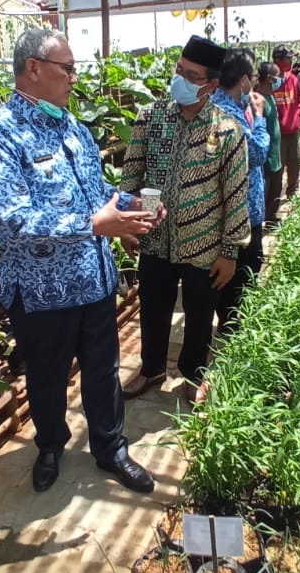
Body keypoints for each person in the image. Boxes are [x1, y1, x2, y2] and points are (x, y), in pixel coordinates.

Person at [0, 28, 157, 495]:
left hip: (93, 282)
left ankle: (111, 449)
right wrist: (95, 224)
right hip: (42, 291)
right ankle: (50, 445)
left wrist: (129, 208)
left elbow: (98, 196)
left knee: (103, 371)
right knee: (47, 377)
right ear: (34, 68)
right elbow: (14, 221)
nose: (74, 78)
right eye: (67, 69)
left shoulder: (73, 127)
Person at [120, 35, 250, 403]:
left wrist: (230, 252)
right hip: (156, 238)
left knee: (198, 314)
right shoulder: (151, 116)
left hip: (204, 243)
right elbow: (132, 172)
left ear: (209, 85)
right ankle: (151, 369)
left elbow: (235, 194)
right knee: (153, 308)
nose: (180, 79)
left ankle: (194, 375)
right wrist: (127, 222)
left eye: (190, 75)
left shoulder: (226, 130)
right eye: (178, 70)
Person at [209, 49, 269, 338]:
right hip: (240, 215)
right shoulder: (227, 114)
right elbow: (255, 154)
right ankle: (232, 338)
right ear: (244, 81)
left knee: (231, 285)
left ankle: (230, 329)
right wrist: (260, 118)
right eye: (254, 78)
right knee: (238, 284)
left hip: (230, 212)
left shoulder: (221, 105)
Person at [271, 46, 300, 202]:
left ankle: (292, 191)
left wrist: (297, 119)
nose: (290, 61)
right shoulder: (270, 81)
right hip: (278, 133)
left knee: (295, 161)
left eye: (291, 58)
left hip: (293, 131)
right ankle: (275, 196)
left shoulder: (294, 79)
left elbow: (298, 102)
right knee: (278, 165)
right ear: (277, 60)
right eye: (287, 58)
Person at [256, 62, 283, 226]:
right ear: (268, 78)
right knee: (264, 191)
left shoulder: (271, 96)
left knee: (275, 189)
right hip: (266, 156)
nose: (279, 79)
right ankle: (260, 222)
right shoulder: (258, 99)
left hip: (275, 153)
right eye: (277, 75)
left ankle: (271, 218)